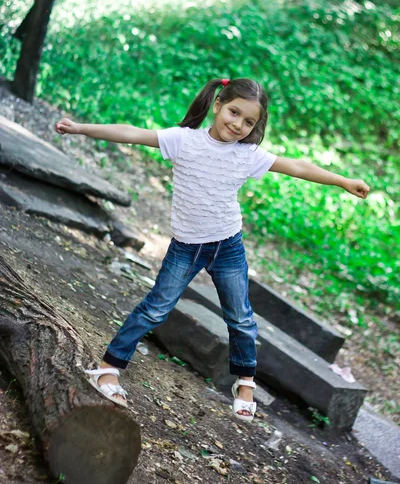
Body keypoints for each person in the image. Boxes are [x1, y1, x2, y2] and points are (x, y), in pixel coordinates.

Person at [55, 77, 370, 421]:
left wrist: (342, 180)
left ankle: (245, 382)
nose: (238, 125)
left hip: (228, 246)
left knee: (241, 318)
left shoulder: (247, 155)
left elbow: (296, 166)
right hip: (186, 248)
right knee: (155, 310)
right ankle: (108, 368)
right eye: (234, 112)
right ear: (218, 104)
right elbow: (132, 132)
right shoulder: (182, 141)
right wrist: (81, 128)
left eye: (248, 121)